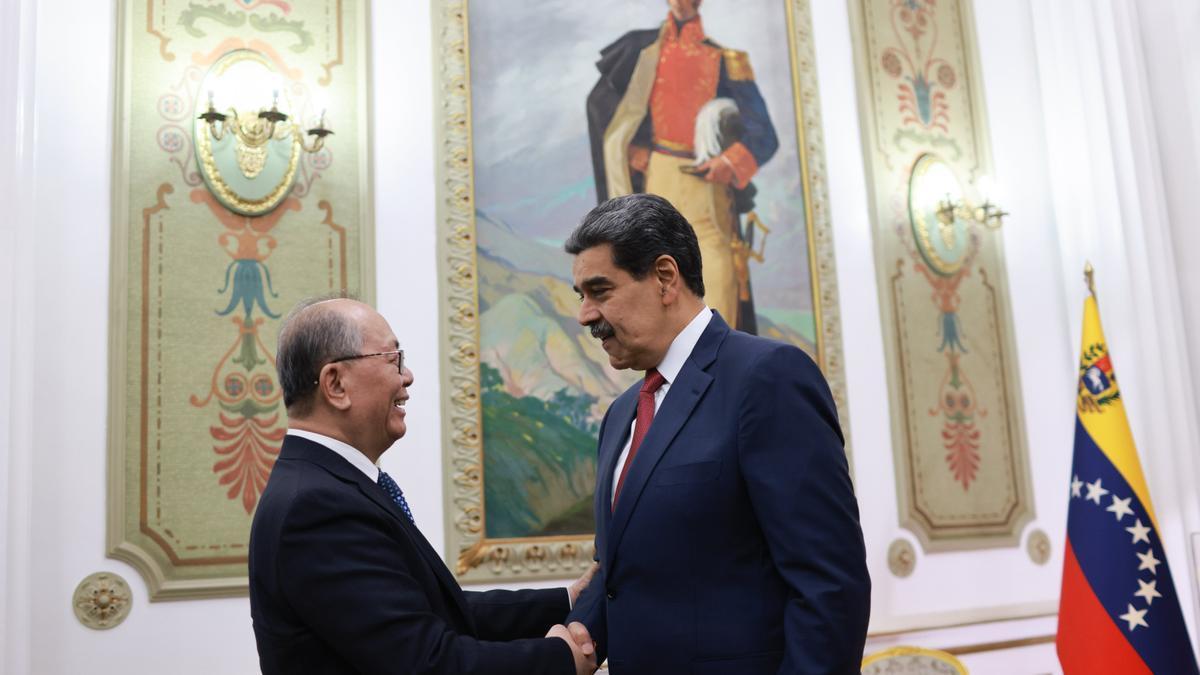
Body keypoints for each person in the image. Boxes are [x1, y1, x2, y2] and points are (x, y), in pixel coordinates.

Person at [564, 194, 870, 673]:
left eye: (600, 291)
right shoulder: (622, 415)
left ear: (666, 278)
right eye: (580, 295)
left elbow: (829, 585)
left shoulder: (768, 379)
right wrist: (562, 646)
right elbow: (618, 577)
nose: (585, 314)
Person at [249, 297, 598, 675]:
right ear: (336, 384)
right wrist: (560, 660)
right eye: (393, 359)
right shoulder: (317, 507)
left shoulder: (324, 485)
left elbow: (431, 609)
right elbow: (428, 662)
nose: (407, 376)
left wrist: (566, 600)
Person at [586, 0, 779, 333]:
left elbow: (764, 135)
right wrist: (631, 146)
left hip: (708, 187)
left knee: (717, 281)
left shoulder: (725, 60)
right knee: (656, 288)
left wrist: (729, 162)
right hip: (657, 181)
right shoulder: (640, 49)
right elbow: (602, 104)